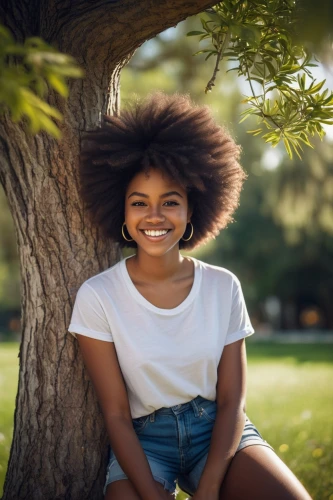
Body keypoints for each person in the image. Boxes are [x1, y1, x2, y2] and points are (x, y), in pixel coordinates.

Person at [68, 93, 311, 500]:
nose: (155, 216)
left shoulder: (223, 287)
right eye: (139, 203)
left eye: (170, 202)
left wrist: (211, 487)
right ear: (122, 212)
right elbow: (116, 414)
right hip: (145, 442)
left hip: (216, 434)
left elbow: (233, 400)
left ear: (192, 209)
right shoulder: (98, 296)